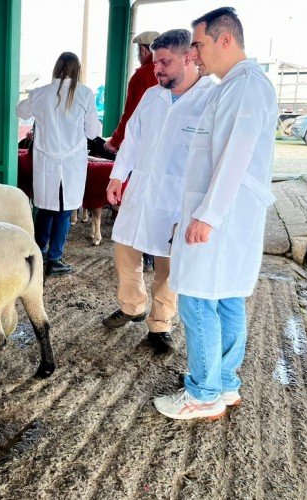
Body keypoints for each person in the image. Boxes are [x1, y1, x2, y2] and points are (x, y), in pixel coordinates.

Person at [154, 7, 277, 420]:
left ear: (226, 40)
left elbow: (235, 156)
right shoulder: (235, 86)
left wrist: (207, 215)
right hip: (226, 214)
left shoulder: (245, 86)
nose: (194, 56)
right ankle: (224, 383)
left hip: (221, 215)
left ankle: (203, 392)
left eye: (199, 45)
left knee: (197, 298)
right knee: (224, 298)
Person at [101, 29, 216, 354]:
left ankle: (160, 324)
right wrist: (117, 176)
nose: (158, 70)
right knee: (125, 251)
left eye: (164, 62)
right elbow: (133, 139)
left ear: (189, 58)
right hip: (140, 193)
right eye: (155, 63)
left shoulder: (210, 99)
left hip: (179, 200)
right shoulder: (153, 96)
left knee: (168, 265)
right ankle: (132, 305)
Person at [16, 52, 100, 276]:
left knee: (45, 208)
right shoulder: (84, 94)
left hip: (46, 160)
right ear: (77, 70)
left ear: (56, 68)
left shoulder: (40, 93)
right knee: (64, 211)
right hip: (72, 161)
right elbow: (93, 132)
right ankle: (55, 258)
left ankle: (39, 252)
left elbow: (19, 111)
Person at [103, 30, 159, 155]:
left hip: (143, 142)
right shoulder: (170, 73)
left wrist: (114, 142)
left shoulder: (141, 75)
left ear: (143, 50)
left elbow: (131, 113)